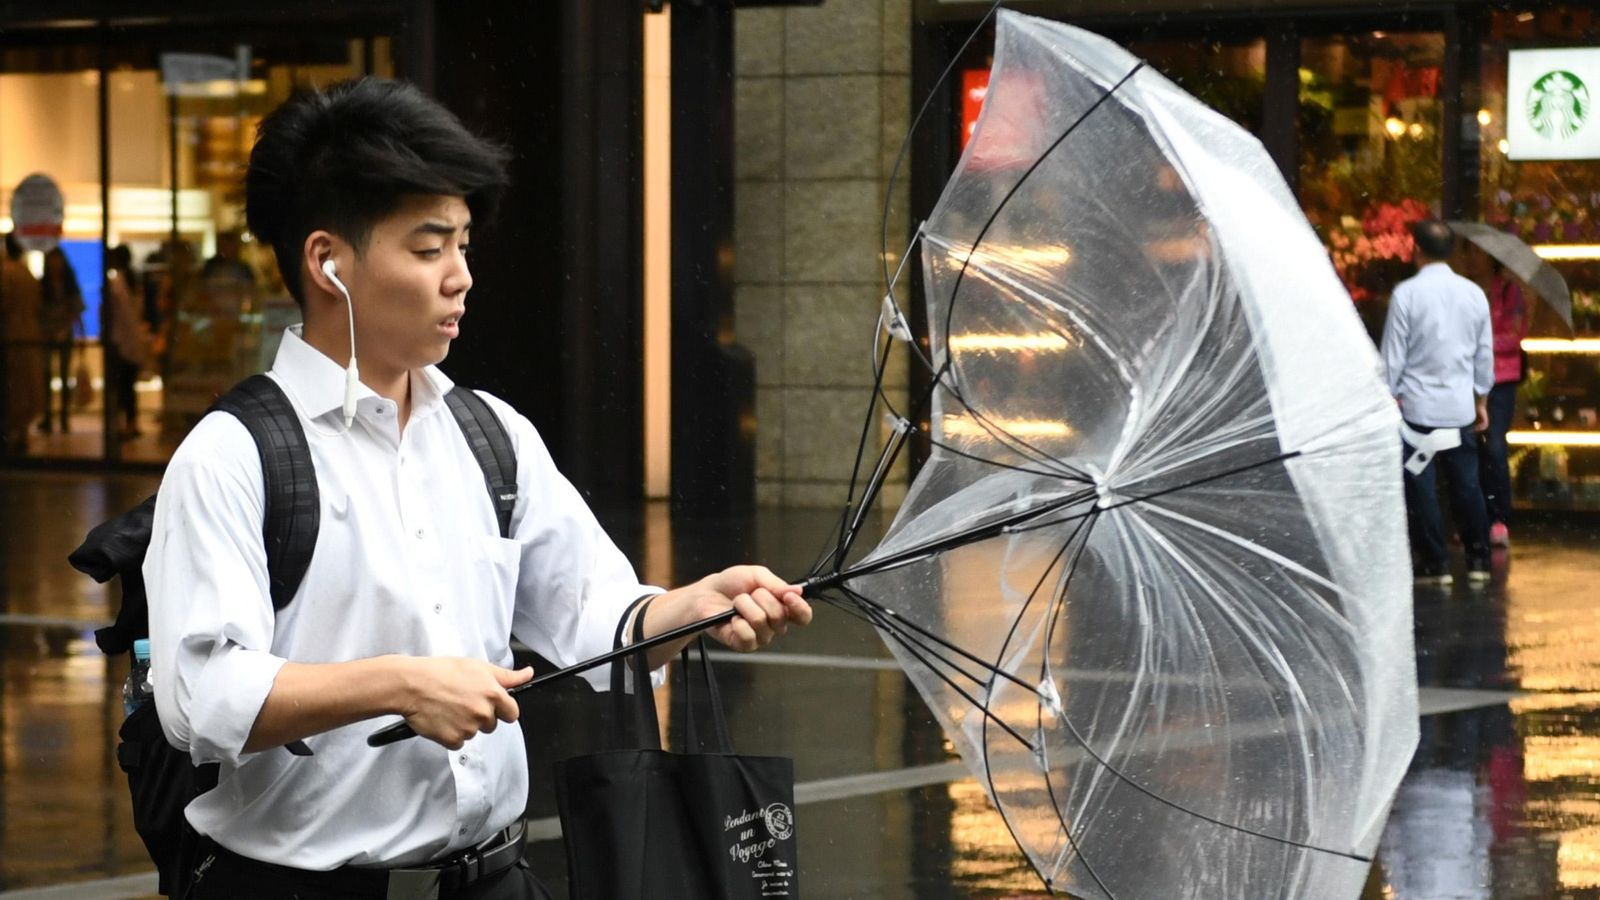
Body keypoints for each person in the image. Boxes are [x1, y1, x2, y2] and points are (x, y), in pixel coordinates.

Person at [143, 77, 812, 900]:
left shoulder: (490, 435)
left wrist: (694, 607)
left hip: (494, 882)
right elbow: (200, 697)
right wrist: (402, 683)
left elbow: (598, 617)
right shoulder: (233, 455)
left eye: (462, 245)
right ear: (328, 262)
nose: (460, 276)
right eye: (428, 249)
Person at [1380, 219, 1495, 585]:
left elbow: (1393, 357)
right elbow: (1484, 354)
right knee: (1467, 486)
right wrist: (1482, 399)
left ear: (1416, 251)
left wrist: (1388, 393)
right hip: (1460, 408)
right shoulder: (1474, 294)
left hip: (1417, 412)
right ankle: (1479, 559)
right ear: (1452, 252)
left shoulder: (1406, 295)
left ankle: (1436, 562)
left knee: (1421, 487)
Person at [1478, 261, 1527, 547]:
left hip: (1501, 379)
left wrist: (1483, 342)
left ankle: (1499, 518)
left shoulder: (1511, 293)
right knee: (1475, 449)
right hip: (1473, 377)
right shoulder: (1471, 291)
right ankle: (1477, 517)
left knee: (1495, 447)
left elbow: (1516, 335)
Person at [1, 233, 44, 451]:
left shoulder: (7, 272)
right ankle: (21, 433)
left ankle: (15, 433)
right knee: (25, 386)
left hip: (12, 336)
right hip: (28, 333)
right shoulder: (25, 272)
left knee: (15, 387)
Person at [104, 245, 150, 439]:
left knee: (121, 386)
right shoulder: (134, 282)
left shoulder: (117, 284)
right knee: (128, 386)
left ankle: (125, 425)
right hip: (131, 340)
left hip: (120, 341)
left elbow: (117, 315)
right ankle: (130, 423)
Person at [37, 247, 84, 434]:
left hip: (64, 334)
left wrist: (78, 334)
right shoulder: (44, 284)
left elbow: (77, 311)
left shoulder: (68, 285)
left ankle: (64, 416)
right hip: (48, 335)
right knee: (47, 375)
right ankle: (48, 415)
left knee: (64, 377)